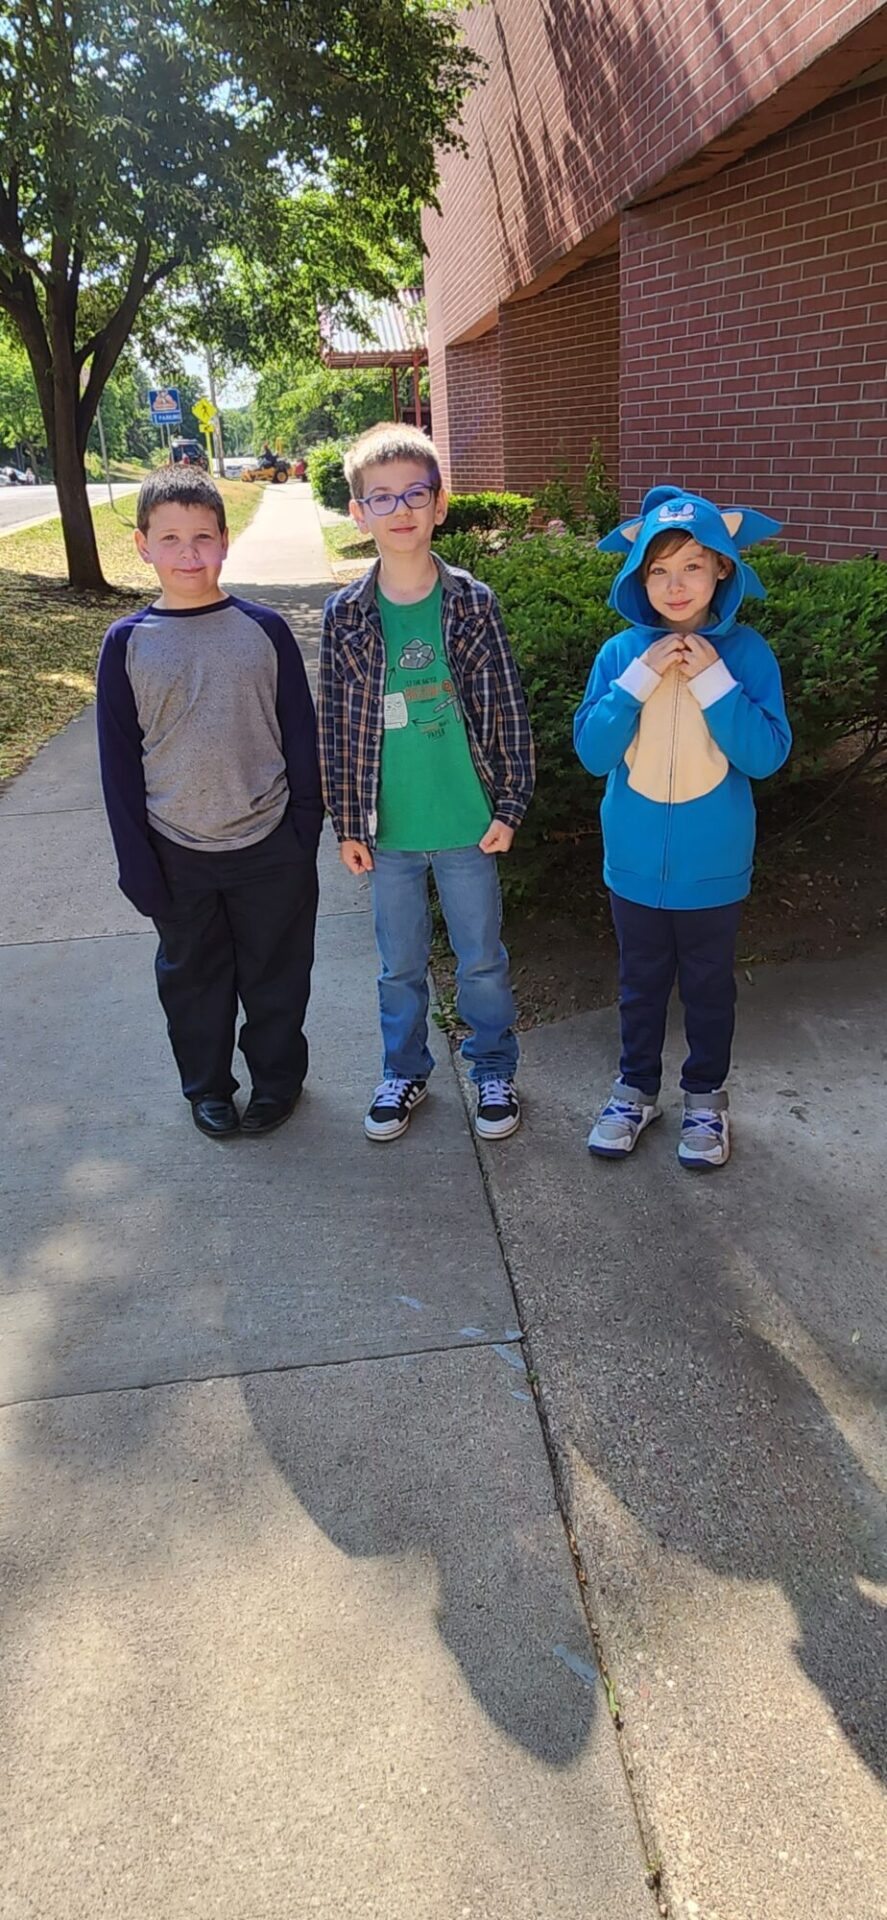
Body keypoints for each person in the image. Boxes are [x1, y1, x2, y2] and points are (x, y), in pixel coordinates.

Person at [318, 421, 534, 1143]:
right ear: (359, 514)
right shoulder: (346, 616)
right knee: (398, 966)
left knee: (480, 961)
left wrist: (510, 803)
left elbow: (506, 708)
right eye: (380, 497)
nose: (400, 507)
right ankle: (403, 1070)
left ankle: (493, 1067)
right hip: (390, 836)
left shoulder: (472, 603)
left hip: (469, 826)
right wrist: (346, 824)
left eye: (415, 492)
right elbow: (338, 729)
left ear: (440, 504)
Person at [96, 465, 323, 1138]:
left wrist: (300, 830)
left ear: (226, 539)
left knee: (276, 977)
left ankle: (278, 1083)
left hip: (269, 845)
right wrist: (138, 864)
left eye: (202, 536)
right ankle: (208, 1088)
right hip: (177, 851)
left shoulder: (265, 629)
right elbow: (117, 767)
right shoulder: (127, 644)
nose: (187, 553)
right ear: (142, 545)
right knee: (193, 982)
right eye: (169, 538)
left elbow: (300, 735)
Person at [574, 484, 791, 1170]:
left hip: (713, 867)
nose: (675, 585)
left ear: (722, 569)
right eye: (658, 569)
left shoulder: (747, 654)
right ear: (638, 576)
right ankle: (634, 1091)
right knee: (638, 985)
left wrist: (714, 684)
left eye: (692, 566)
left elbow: (764, 755)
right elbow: (590, 752)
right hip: (632, 864)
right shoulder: (618, 654)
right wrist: (636, 680)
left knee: (707, 988)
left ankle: (704, 1100)